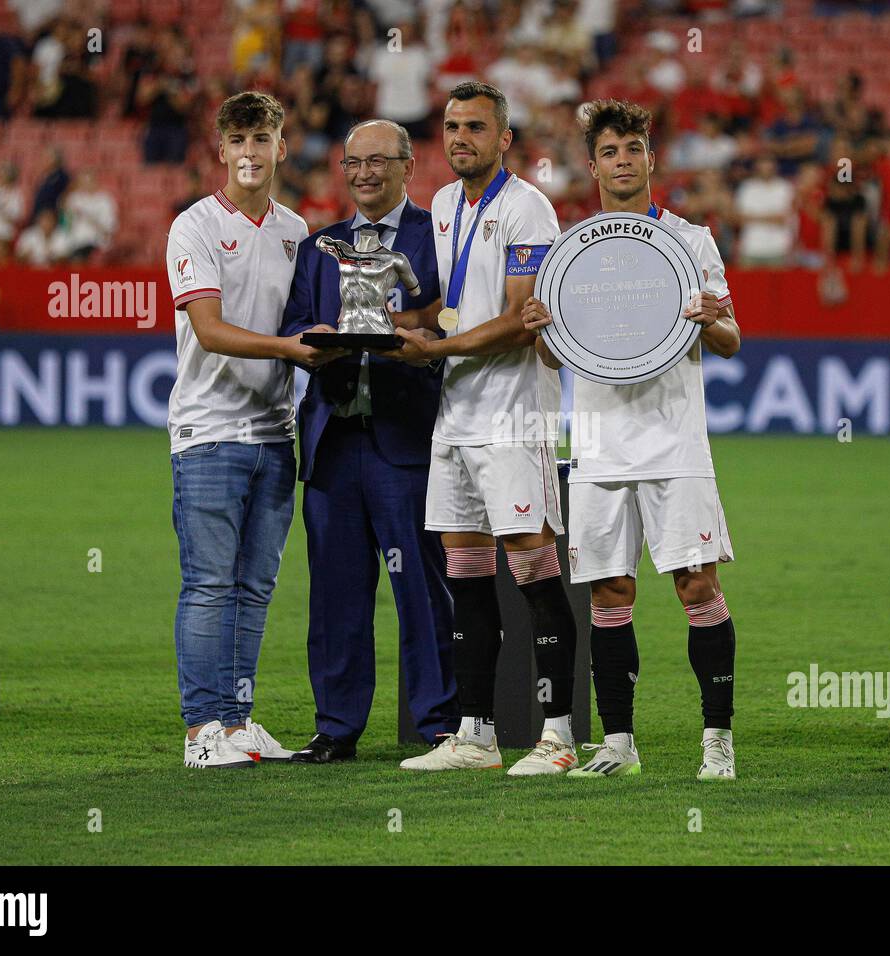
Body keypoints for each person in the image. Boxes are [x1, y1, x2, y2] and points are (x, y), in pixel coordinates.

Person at [521, 99, 742, 781]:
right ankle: (618, 744)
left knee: (695, 583)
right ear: (592, 166)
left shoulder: (692, 240)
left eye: (634, 149)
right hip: (599, 443)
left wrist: (710, 318)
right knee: (610, 594)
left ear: (651, 158)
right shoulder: (573, 251)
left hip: (675, 442)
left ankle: (718, 742)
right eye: (610, 152)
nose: (623, 161)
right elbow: (559, 357)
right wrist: (537, 328)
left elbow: (731, 342)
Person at [383, 82, 580, 776]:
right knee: (465, 574)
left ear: (504, 140)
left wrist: (433, 350)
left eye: (476, 127)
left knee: (532, 569)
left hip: (513, 416)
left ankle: (557, 736)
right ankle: (477, 735)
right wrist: (403, 323)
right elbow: (459, 303)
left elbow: (523, 319)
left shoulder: (529, 208)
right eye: (452, 126)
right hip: (457, 417)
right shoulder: (442, 205)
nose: (460, 137)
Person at [163, 90, 337, 770]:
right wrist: (294, 351)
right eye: (237, 140)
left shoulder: (297, 230)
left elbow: (305, 316)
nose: (249, 152)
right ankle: (201, 729)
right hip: (209, 431)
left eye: (261, 138)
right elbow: (207, 330)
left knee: (254, 587)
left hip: (273, 432)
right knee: (209, 583)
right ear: (221, 150)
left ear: (281, 148)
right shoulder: (195, 227)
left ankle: (237, 721)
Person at [278, 118, 459, 763]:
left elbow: (451, 318)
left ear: (408, 166)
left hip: (405, 435)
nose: (365, 173)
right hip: (333, 438)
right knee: (334, 593)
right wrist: (318, 340)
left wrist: (418, 341)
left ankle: (440, 726)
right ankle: (336, 729)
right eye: (354, 162)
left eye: (380, 161)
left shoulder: (435, 237)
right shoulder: (317, 245)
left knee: (422, 587)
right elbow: (296, 324)